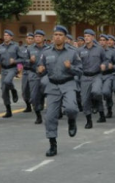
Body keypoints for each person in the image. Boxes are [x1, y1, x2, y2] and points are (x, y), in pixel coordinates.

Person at [37, 25, 83, 157]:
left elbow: (80, 70)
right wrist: (39, 70)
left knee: (71, 108)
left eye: (60, 35)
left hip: (68, 83)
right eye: (55, 34)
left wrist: (70, 68)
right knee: (50, 116)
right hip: (52, 86)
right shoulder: (46, 53)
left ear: (65, 37)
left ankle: (72, 121)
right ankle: (52, 144)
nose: (57, 37)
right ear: (52, 37)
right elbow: (41, 68)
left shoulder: (72, 52)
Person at [78, 29, 108, 129]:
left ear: (93, 37)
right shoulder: (80, 50)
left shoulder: (99, 49)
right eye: (85, 36)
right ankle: (89, 120)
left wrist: (104, 64)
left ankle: (100, 110)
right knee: (85, 100)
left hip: (96, 75)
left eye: (89, 36)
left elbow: (106, 60)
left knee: (96, 92)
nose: (86, 38)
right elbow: (76, 63)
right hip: (85, 77)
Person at [0, 30, 23, 118]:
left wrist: (16, 62)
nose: (6, 37)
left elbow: (22, 59)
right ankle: (8, 110)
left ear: (11, 37)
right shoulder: (0, 47)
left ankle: (13, 90)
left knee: (7, 81)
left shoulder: (15, 47)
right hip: (4, 69)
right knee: (4, 90)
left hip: (12, 68)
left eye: (8, 35)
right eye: (5, 35)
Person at [27, 30, 51, 124]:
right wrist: (30, 61)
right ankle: (38, 115)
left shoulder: (49, 49)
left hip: (46, 74)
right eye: (35, 36)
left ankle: (52, 113)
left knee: (49, 93)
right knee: (33, 97)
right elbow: (22, 62)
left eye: (39, 36)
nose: (37, 38)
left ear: (43, 38)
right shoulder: (29, 49)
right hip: (34, 74)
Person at [19, 33, 34, 112]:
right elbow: (19, 61)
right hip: (25, 70)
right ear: (26, 39)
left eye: (31, 38)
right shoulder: (21, 49)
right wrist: (19, 70)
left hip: (34, 71)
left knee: (34, 89)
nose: (30, 40)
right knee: (25, 89)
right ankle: (28, 105)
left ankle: (37, 104)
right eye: (28, 38)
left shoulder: (36, 48)